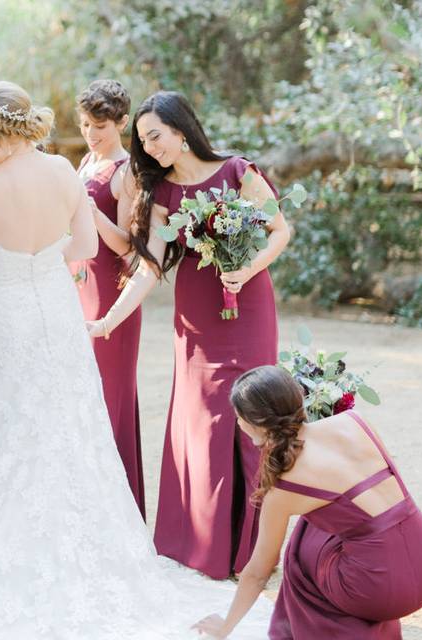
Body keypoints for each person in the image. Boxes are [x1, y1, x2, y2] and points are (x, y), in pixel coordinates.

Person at [0, 81, 272, 639]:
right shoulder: (67, 171)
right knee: (69, 424)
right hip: (55, 310)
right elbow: (87, 248)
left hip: (6, 313)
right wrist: (43, 262)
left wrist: (8, 263)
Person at [88, 91, 291, 579]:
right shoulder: (161, 194)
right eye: (142, 142)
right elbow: (150, 267)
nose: (151, 148)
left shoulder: (238, 172)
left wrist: (246, 269)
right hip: (197, 316)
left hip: (248, 304)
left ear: (181, 129)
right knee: (205, 424)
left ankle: (254, 552)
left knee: (255, 419)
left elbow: (280, 230)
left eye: (155, 136)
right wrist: (107, 321)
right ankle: (203, 546)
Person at [194, 365, 422, 639]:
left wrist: (225, 627)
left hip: (380, 588)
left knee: (300, 550)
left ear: (252, 423)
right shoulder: (354, 421)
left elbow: (259, 571)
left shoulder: (283, 487)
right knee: (319, 523)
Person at [71, 79, 145, 516]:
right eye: (84, 125)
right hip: (78, 289)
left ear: (121, 123)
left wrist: (92, 211)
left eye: (100, 126)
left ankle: (117, 512)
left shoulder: (126, 170)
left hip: (111, 299)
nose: (91, 134)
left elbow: (128, 248)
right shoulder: (84, 163)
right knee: (81, 399)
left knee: (108, 399)